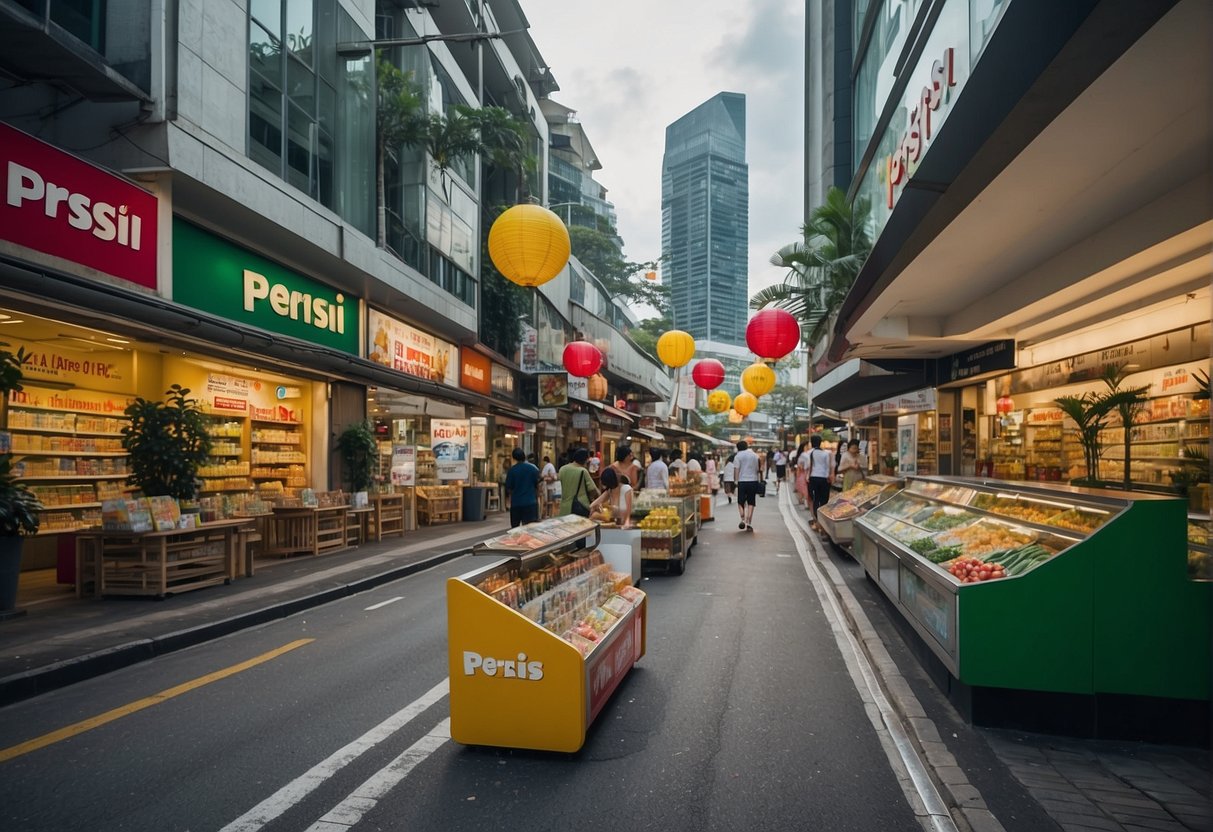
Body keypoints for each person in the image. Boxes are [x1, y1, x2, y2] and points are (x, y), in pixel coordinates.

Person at [504, 447, 542, 528]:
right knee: (530, 529)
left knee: (515, 529)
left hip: (516, 503)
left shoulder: (512, 471)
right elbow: (538, 484)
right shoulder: (532, 469)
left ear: (513, 458)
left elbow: (509, 488)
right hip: (530, 503)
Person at [557, 448, 599, 516]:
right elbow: (593, 490)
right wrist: (598, 500)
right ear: (585, 460)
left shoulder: (562, 469)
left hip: (564, 508)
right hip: (580, 507)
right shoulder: (582, 471)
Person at [806, 434, 835, 531]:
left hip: (813, 478)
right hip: (823, 478)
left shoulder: (809, 453)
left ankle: (817, 521)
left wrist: (807, 477)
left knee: (815, 499)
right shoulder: (826, 453)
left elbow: (808, 466)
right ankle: (822, 522)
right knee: (824, 500)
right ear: (820, 442)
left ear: (811, 442)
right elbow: (828, 466)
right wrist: (828, 476)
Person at [733, 440, 762, 532]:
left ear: (738, 448)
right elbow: (758, 469)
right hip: (753, 480)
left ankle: (742, 519)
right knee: (751, 501)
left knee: (740, 501)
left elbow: (736, 469)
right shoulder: (754, 455)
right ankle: (749, 522)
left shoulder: (737, 456)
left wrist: (736, 481)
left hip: (742, 481)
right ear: (746, 446)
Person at [794, 441, 810, 507]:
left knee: (801, 487)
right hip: (804, 473)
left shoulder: (801, 455)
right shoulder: (805, 455)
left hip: (801, 474)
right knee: (804, 487)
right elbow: (806, 465)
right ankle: (804, 501)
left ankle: (801, 500)